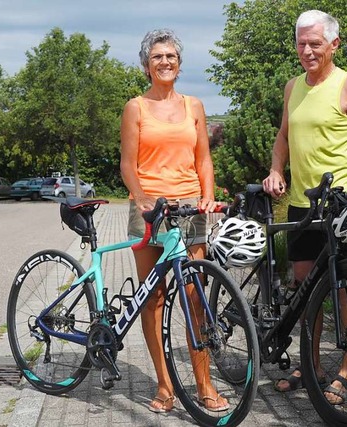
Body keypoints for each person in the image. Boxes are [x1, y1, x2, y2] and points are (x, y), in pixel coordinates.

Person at [262, 10, 347, 405]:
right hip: (303, 205)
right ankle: (309, 365)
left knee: (345, 290)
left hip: (343, 205)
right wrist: (275, 169)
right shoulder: (292, 87)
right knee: (306, 292)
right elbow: (283, 136)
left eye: (315, 44)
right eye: (301, 43)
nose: (307, 51)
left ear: (334, 44)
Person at [120, 28, 228, 413]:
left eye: (171, 57)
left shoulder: (194, 106)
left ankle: (204, 384)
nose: (164, 62)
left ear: (179, 65)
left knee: (195, 296)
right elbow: (127, 167)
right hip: (148, 208)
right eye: (157, 57)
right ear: (146, 66)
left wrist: (208, 195)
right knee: (154, 297)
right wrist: (144, 198)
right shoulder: (136, 108)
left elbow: (203, 160)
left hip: (188, 207)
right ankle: (165, 386)